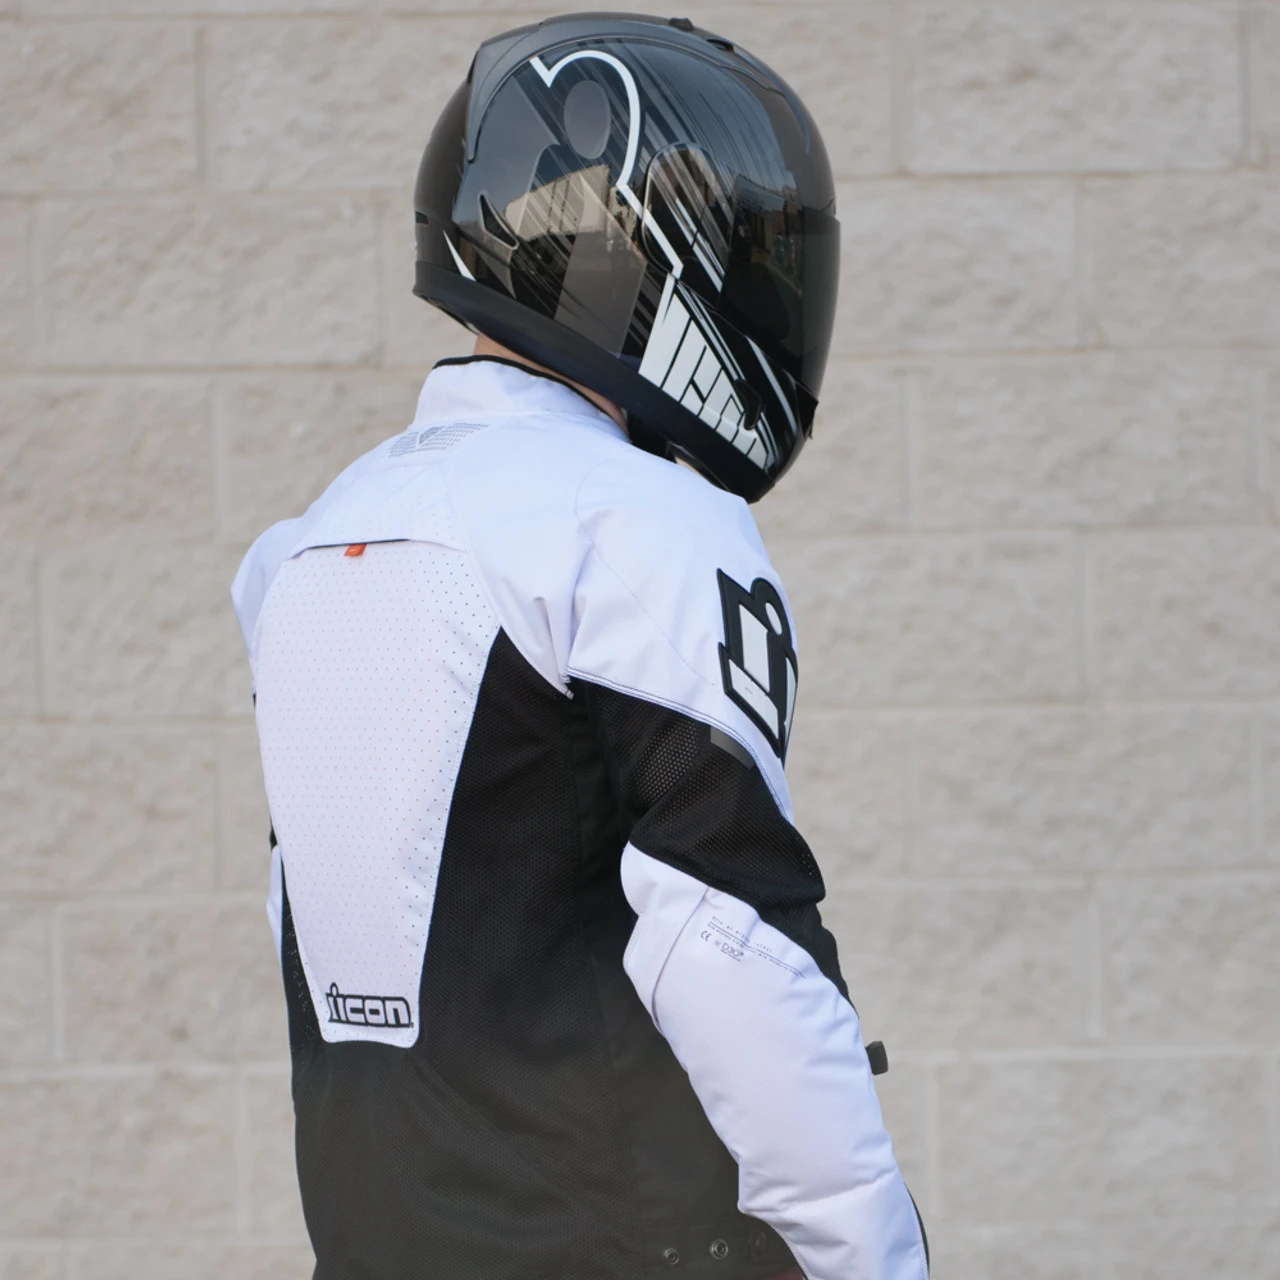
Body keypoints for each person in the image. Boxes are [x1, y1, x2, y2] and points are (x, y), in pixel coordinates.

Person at [232, 13, 928, 1280]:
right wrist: (870, 1256)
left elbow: (323, 944)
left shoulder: (308, 544)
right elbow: (729, 948)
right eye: (753, 253)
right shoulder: (635, 524)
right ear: (638, 249)